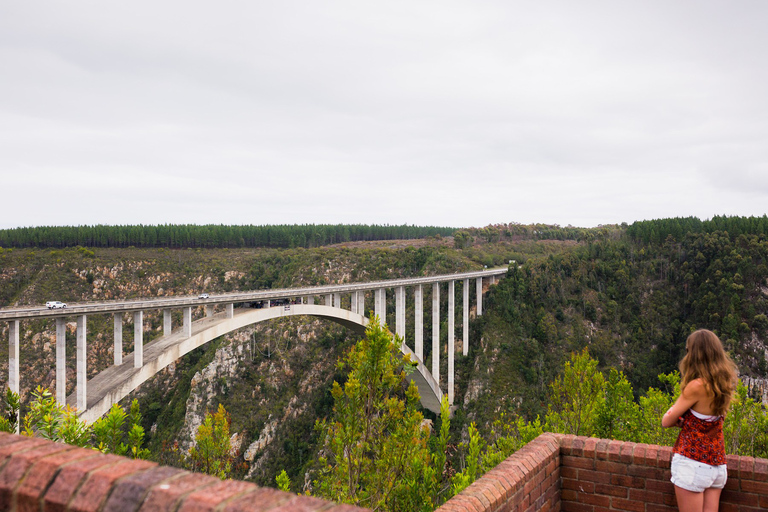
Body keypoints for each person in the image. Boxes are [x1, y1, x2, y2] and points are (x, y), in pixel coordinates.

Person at [661, 329, 738, 512]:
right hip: (717, 465)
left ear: (694, 355)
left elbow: (666, 420)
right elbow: (710, 419)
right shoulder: (725, 383)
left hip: (693, 463)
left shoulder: (696, 386)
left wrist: (680, 418)